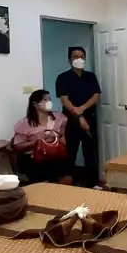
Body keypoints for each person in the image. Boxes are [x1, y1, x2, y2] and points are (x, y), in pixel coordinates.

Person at [54, 46, 101, 188]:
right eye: (75, 56)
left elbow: (96, 95)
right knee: (70, 152)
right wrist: (79, 116)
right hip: (71, 120)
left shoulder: (90, 77)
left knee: (90, 152)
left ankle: (92, 183)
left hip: (90, 118)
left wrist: (83, 108)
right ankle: (68, 183)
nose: (79, 59)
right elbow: (64, 99)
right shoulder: (62, 78)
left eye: (81, 56)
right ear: (69, 59)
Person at [12, 90, 71, 185]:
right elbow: (18, 145)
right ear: (35, 104)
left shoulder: (59, 117)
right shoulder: (25, 123)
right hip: (35, 158)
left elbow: (62, 135)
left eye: (50, 99)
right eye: (45, 100)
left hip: (55, 154)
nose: (49, 102)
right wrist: (35, 140)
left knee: (67, 177)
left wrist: (61, 138)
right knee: (42, 179)